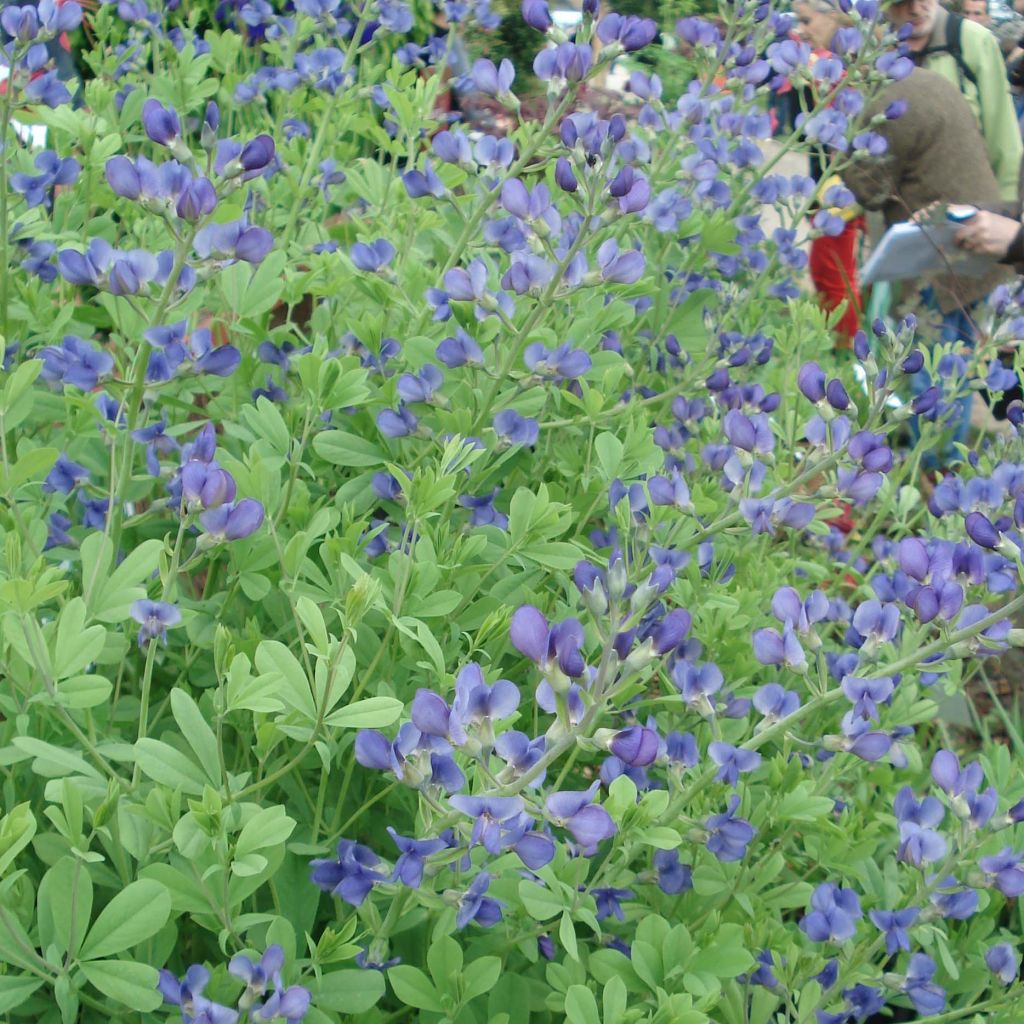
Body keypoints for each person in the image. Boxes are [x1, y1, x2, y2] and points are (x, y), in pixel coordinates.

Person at [840, 67, 1012, 462]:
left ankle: (927, 464)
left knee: (931, 370)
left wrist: (839, 150)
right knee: (954, 364)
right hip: (974, 247)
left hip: (939, 258)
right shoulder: (931, 78)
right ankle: (942, 461)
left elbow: (867, 186)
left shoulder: (887, 98)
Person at [887, 0, 1022, 206]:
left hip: (971, 209)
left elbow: (1003, 137)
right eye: (902, 2)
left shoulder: (972, 40)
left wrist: (1008, 209)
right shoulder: (875, 51)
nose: (915, 9)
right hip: (904, 212)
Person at [791, 0, 865, 351]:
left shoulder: (853, 58)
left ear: (834, 14)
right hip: (827, 179)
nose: (802, 29)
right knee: (824, 267)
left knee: (833, 269)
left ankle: (845, 347)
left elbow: (847, 130)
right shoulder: (831, 58)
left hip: (843, 185)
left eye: (807, 19)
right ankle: (835, 341)